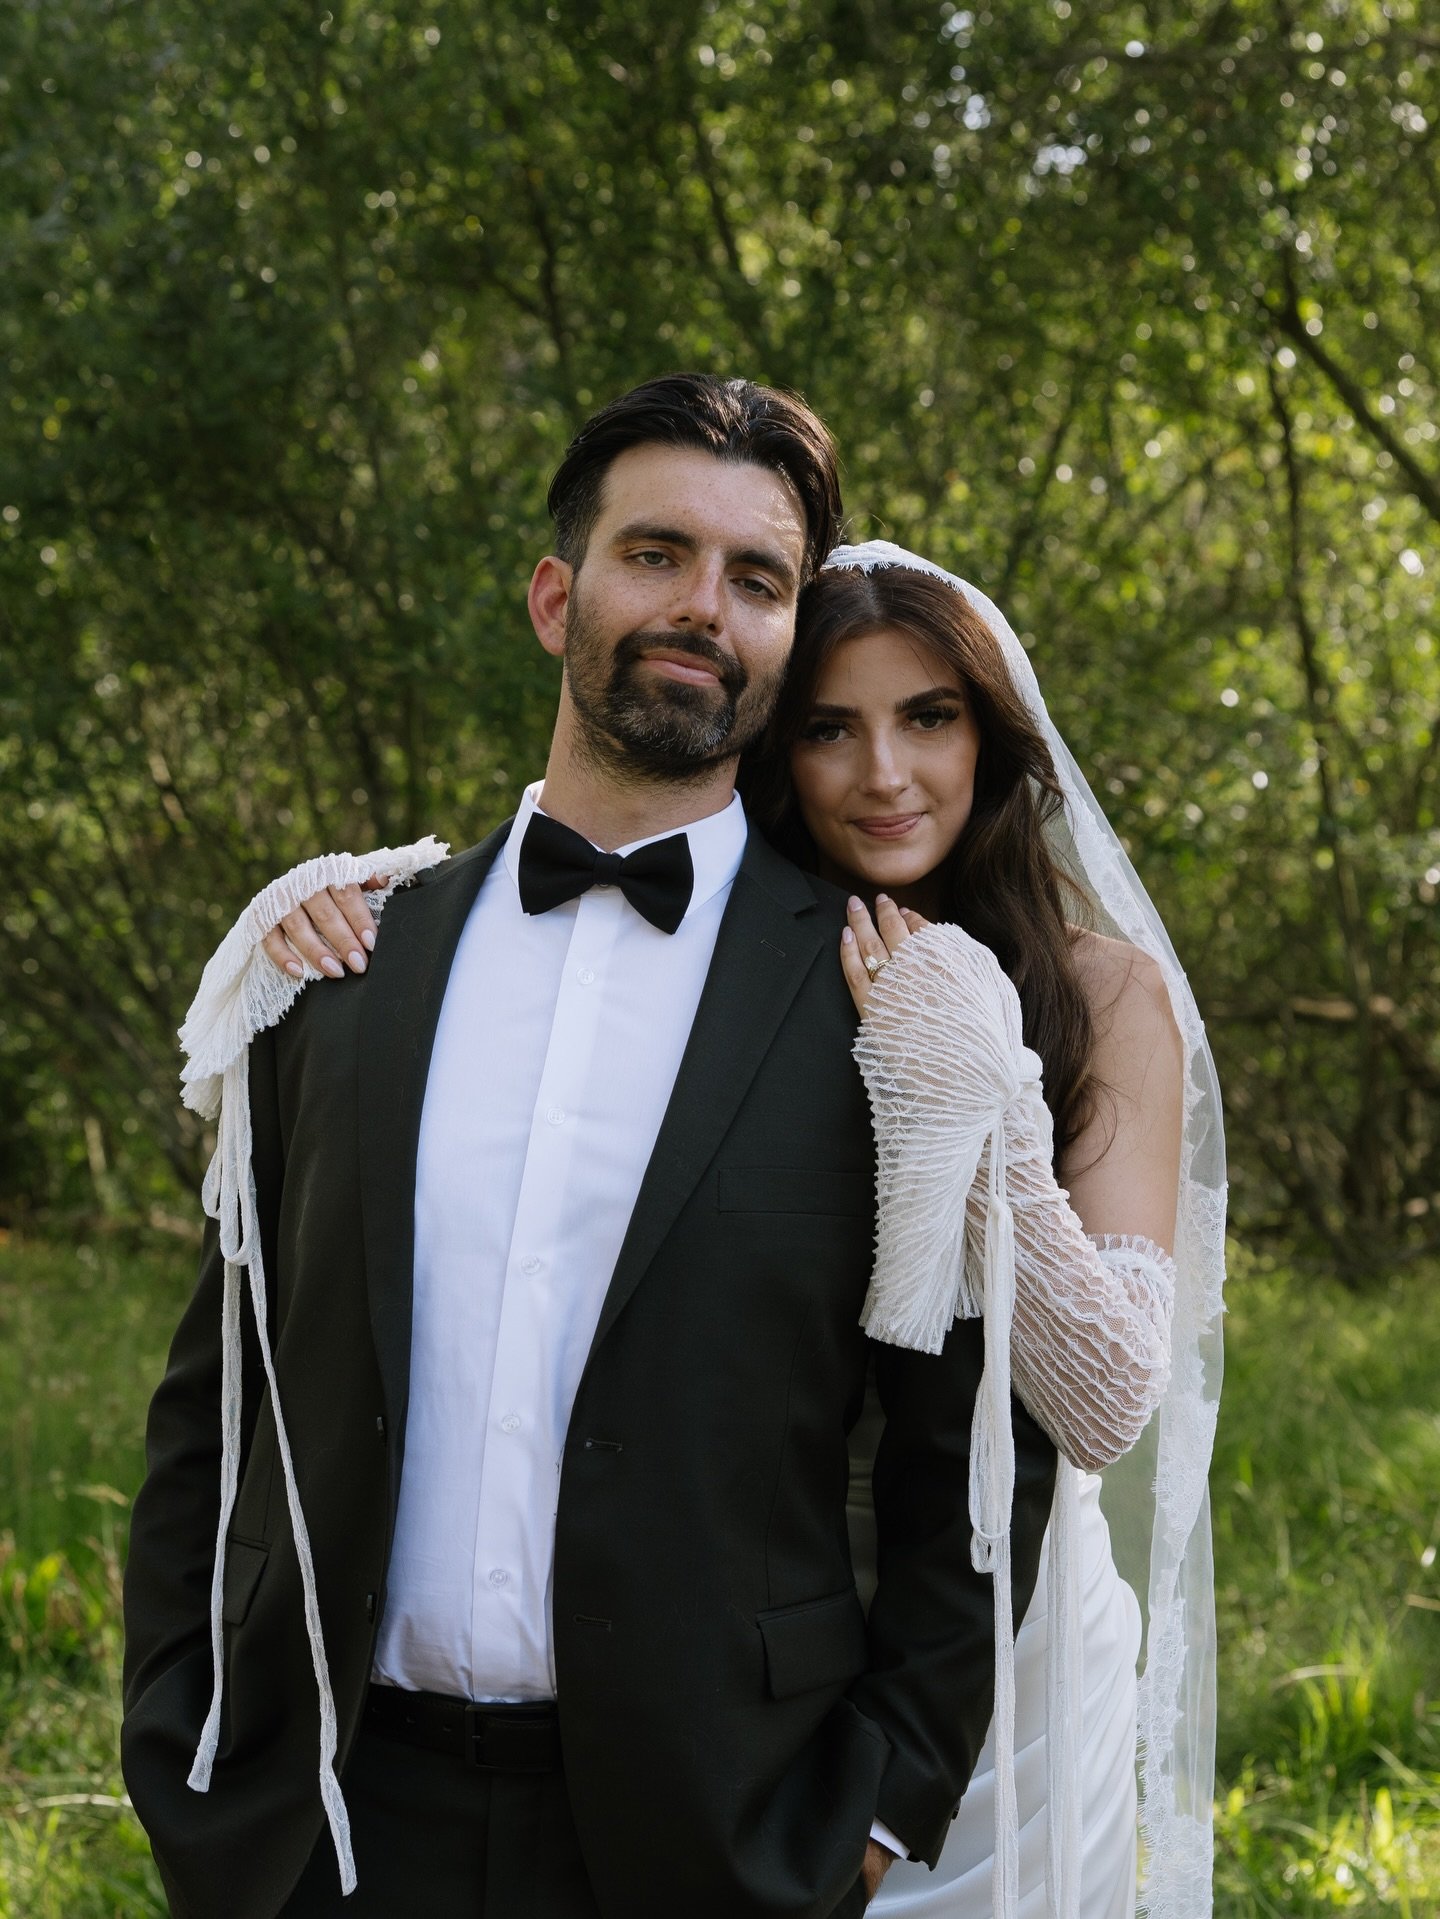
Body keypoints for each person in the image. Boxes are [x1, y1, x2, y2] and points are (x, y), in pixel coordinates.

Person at [121, 377, 1060, 1919]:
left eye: (756, 580)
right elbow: (218, 1398)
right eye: (656, 555)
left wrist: (885, 1798)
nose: (703, 607)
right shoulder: (340, 964)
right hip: (329, 1832)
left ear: (787, 635)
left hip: (720, 1835)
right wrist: (181, 1735)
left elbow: (965, 1461)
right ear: (558, 594)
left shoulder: (892, 1006)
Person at [246, 543, 1227, 1918]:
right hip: (737, 1673)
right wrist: (339, 917)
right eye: (831, 727)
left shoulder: (1099, 992)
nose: (885, 773)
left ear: (993, 736)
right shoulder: (739, 961)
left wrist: (975, 1094)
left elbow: (1112, 1398)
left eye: (929, 718)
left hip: (1003, 1671)